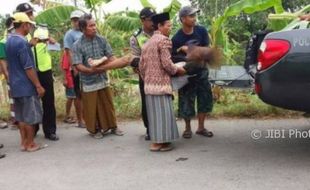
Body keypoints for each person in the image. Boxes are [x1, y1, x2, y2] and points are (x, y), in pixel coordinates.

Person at [139, 12, 186, 152]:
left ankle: (159, 142)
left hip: (149, 85)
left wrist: (147, 79)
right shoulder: (164, 40)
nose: (170, 28)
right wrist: (178, 70)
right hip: (161, 84)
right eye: (168, 25)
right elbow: (167, 63)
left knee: (155, 115)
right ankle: (158, 143)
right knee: (164, 114)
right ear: (159, 26)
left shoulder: (147, 43)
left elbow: (141, 66)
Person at [72, 14, 125, 138]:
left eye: (94, 25)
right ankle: (95, 130)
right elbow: (78, 65)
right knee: (92, 107)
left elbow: (110, 56)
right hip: (88, 81)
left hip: (102, 78)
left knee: (108, 104)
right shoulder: (77, 45)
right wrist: (90, 70)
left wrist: (117, 63)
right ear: (83, 29)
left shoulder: (102, 40)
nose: (94, 28)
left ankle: (113, 127)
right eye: (91, 26)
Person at [172, 6, 214, 139]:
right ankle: (187, 128)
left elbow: (207, 51)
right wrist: (194, 54)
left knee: (204, 99)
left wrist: (188, 49)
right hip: (186, 74)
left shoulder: (201, 31)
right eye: (191, 16)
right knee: (186, 101)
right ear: (183, 19)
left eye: (195, 16)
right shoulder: (176, 38)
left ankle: (201, 128)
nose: (194, 18)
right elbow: (175, 58)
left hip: (201, 71)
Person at [6, 12, 46, 152]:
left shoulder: (9, 40)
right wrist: (38, 85)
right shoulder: (22, 42)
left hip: (15, 85)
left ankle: (23, 143)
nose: (30, 27)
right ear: (24, 25)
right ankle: (31, 144)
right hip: (26, 86)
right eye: (29, 24)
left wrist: (29, 46)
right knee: (30, 117)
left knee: (21, 117)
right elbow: (28, 67)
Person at [129, 7, 156, 140]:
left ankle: (163, 127)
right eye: (150, 19)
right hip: (145, 75)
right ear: (142, 20)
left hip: (160, 75)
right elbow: (134, 58)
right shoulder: (136, 37)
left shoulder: (160, 32)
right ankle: (149, 129)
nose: (153, 22)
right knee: (147, 103)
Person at [62, 10, 85, 128]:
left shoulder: (85, 32)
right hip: (76, 68)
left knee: (87, 93)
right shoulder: (69, 34)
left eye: (78, 20)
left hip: (87, 67)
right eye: (74, 20)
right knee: (78, 95)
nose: (76, 22)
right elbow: (68, 52)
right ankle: (80, 120)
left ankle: (88, 118)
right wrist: (74, 67)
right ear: (72, 21)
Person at [0, 17, 15, 130]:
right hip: (11, 73)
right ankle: (15, 120)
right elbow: (3, 60)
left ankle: (21, 119)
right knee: (12, 97)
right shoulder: (3, 42)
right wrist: (7, 75)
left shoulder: (21, 38)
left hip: (21, 73)